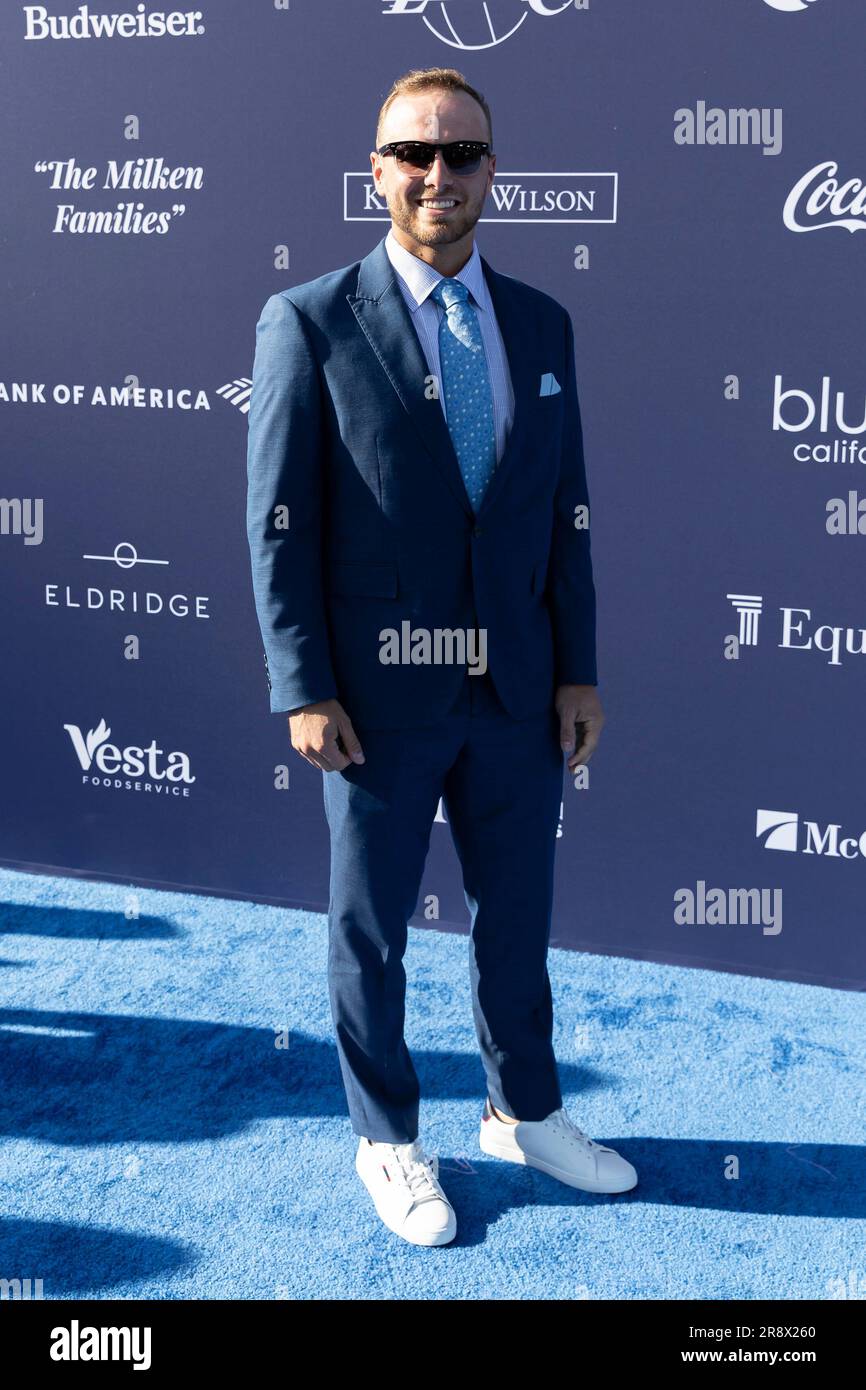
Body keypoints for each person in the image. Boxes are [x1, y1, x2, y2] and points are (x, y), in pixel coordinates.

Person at [246, 66, 637, 1247]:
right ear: (374, 169)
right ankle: (387, 1138)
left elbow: (563, 510)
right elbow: (279, 518)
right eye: (411, 153)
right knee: (368, 929)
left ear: (490, 172)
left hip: (515, 687)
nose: (436, 175)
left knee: (515, 912)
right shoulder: (307, 320)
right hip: (376, 695)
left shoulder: (542, 322)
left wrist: (576, 667)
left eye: (460, 154)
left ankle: (522, 1110)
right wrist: (301, 682)